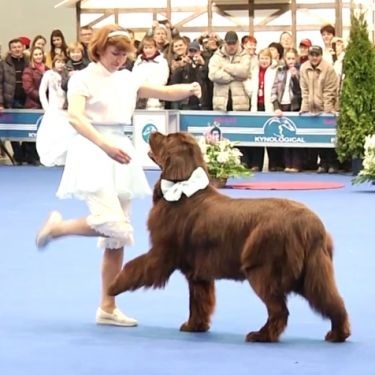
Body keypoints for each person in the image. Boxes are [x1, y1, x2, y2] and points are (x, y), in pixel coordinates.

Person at [35, 24, 201, 327]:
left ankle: (107, 307)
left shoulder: (128, 78)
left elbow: (164, 92)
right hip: (92, 149)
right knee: (113, 225)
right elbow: (75, 117)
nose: (121, 58)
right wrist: (104, 145)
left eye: (125, 53)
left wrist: (189, 89)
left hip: (120, 151)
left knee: (118, 238)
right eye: (115, 53)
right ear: (98, 50)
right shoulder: (81, 79)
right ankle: (58, 228)